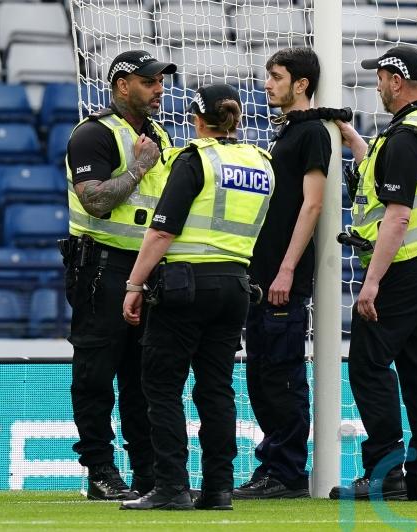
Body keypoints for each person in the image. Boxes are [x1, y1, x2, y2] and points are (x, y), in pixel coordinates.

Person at [120, 83, 276, 511]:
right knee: (216, 389)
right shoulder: (262, 162)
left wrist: (135, 284)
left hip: (185, 285)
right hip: (236, 286)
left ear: (198, 118)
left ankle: (171, 486)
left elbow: (163, 230)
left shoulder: (194, 159)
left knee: (162, 386)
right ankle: (218, 489)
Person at [328, 45, 417, 502]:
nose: (377, 85)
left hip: (403, 267)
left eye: (381, 77)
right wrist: (354, 141)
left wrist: (372, 283)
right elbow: (397, 176)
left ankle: (385, 473)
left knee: (369, 365)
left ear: (396, 80)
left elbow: (399, 215)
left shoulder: (407, 136)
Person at [63, 50, 176, 501]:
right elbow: (94, 201)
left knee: (144, 376)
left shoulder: (159, 134)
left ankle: (147, 472)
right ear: (122, 84)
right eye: (149, 82)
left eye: (160, 82)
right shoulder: (92, 134)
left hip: (146, 271)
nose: (159, 90)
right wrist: (138, 168)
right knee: (96, 372)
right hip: (100, 268)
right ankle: (100, 469)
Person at [233, 47, 331, 500]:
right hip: (263, 276)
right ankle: (274, 465)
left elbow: (313, 203)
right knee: (261, 375)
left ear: (301, 84)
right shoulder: (288, 132)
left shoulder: (310, 133)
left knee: (281, 375)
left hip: (282, 279)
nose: (267, 84)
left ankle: (288, 472)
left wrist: (287, 269)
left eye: (275, 76)